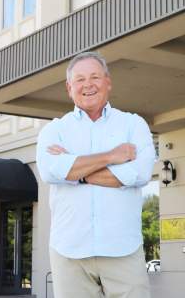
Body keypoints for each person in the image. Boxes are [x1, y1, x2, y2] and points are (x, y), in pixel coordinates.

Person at [36, 51, 156, 298]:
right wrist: (112, 156)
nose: (87, 84)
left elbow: (140, 173)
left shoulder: (133, 125)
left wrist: (74, 169)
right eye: (79, 79)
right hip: (69, 250)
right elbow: (50, 171)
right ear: (69, 88)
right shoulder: (54, 130)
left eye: (95, 77)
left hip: (123, 247)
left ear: (108, 82)